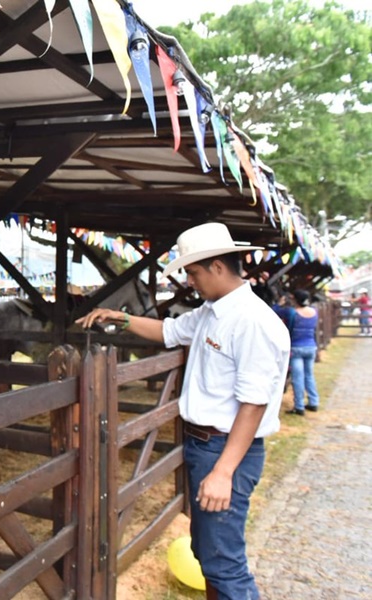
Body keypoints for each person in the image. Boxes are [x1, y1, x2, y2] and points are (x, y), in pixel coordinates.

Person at [77, 222, 289, 600]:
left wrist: (223, 472)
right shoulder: (213, 312)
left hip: (224, 450)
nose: (190, 281)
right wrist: (120, 318)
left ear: (217, 267)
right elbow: (170, 332)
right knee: (208, 554)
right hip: (204, 446)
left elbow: (253, 403)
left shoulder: (252, 322)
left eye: (193, 272)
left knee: (224, 563)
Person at [285, 289, 320, 415]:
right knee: (309, 375)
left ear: (295, 299)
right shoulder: (314, 312)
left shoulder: (294, 313)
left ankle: (299, 406)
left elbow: (289, 328)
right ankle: (314, 402)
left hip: (296, 347)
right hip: (311, 346)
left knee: (297, 378)